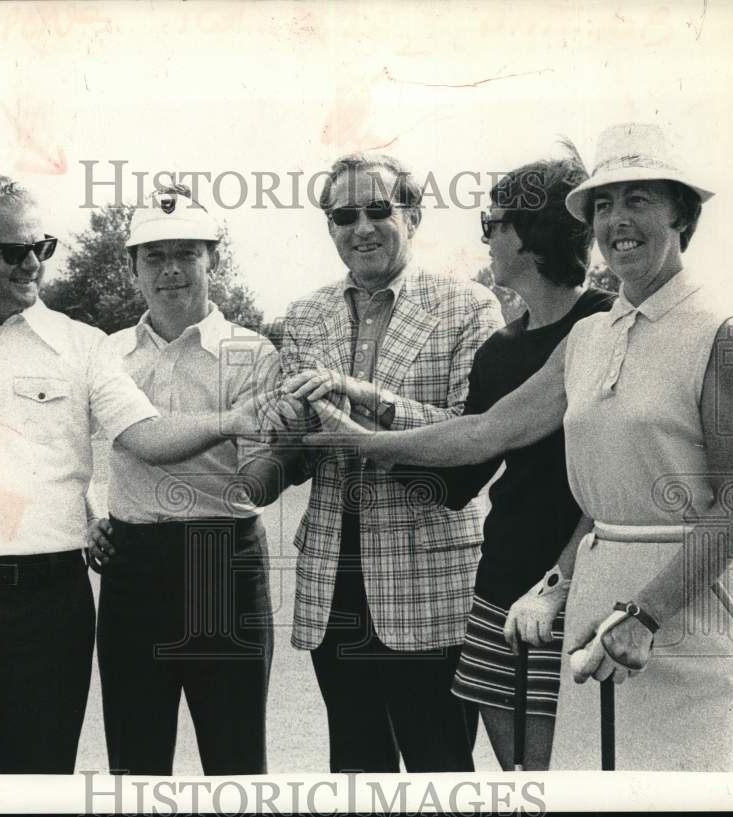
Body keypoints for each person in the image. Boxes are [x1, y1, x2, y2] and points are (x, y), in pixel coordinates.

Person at [306, 124, 733, 772]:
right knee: (581, 790)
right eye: (604, 204)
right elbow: (484, 431)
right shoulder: (587, 340)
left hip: (685, 609)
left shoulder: (722, 335)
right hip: (591, 600)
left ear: (682, 213)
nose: (617, 220)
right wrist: (361, 439)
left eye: (639, 200)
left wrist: (646, 613)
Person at [0, 176, 264, 775]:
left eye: (41, 248)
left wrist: (235, 418)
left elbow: (147, 438)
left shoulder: (84, 346)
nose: (32, 265)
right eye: (15, 251)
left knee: (42, 791)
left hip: (50, 609)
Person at [258, 152, 504, 773]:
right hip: (333, 580)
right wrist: (287, 432)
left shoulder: (470, 307)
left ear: (414, 216)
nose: (361, 227)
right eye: (344, 215)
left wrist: (369, 406)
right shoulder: (306, 314)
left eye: (378, 210)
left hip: (430, 576)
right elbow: (303, 454)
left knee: (440, 767)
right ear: (330, 227)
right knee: (356, 768)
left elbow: (477, 437)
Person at [388, 145, 614, 770]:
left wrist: (364, 432)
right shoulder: (498, 351)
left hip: (578, 591)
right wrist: (352, 433)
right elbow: (459, 477)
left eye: (493, 224)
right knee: (519, 785)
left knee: (569, 786)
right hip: (498, 588)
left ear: (532, 234)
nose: (486, 240)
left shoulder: (608, 324)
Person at [85, 186, 278, 775]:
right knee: (136, 766)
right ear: (133, 266)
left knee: (235, 760)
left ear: (212, 258)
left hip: (220, 560)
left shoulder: (252, 352)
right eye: (153, 255)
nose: (170, 270)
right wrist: (89, 515)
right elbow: (82, 453)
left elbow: (262, 466)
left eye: (186, 253)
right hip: (132, 562)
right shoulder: (107, 353)